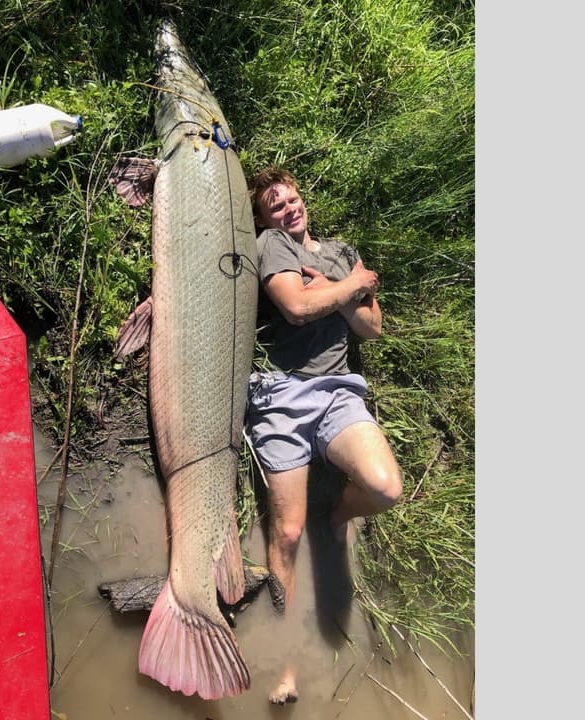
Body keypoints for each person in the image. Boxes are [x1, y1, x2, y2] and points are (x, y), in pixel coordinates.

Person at [245, 167, 404, 705]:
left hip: (339, 391)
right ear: (265, 219)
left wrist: (336, 288)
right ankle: (285, 661)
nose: (288, 209)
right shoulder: (271, 246)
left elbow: (372, 328)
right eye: (275, 206)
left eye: (291, 199)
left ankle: (336, 514)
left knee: (385, 489)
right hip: (283, 395)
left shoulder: (340, 252)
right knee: (286, 534)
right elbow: (295, 307)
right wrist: (351, 289)